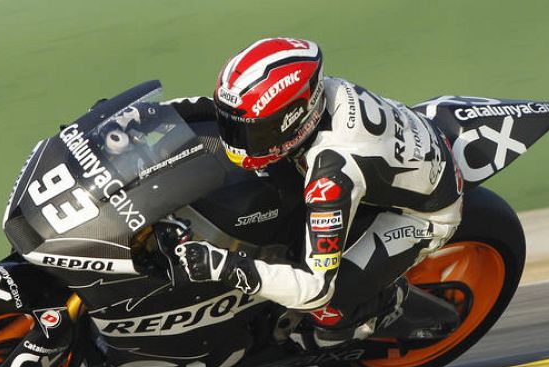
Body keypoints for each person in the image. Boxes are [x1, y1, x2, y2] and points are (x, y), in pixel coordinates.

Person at [174, 37, 464, 345]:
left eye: (251, 131)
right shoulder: (313, 97)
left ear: (292, 119)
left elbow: (315, 290)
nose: (235, 138)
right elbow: (218, 109)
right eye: (233, 125)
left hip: (422, 214)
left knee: (329, 309)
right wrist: (149, 114)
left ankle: (386, 305)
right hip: (392, 159)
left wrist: (223, 266)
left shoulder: (330, 177)